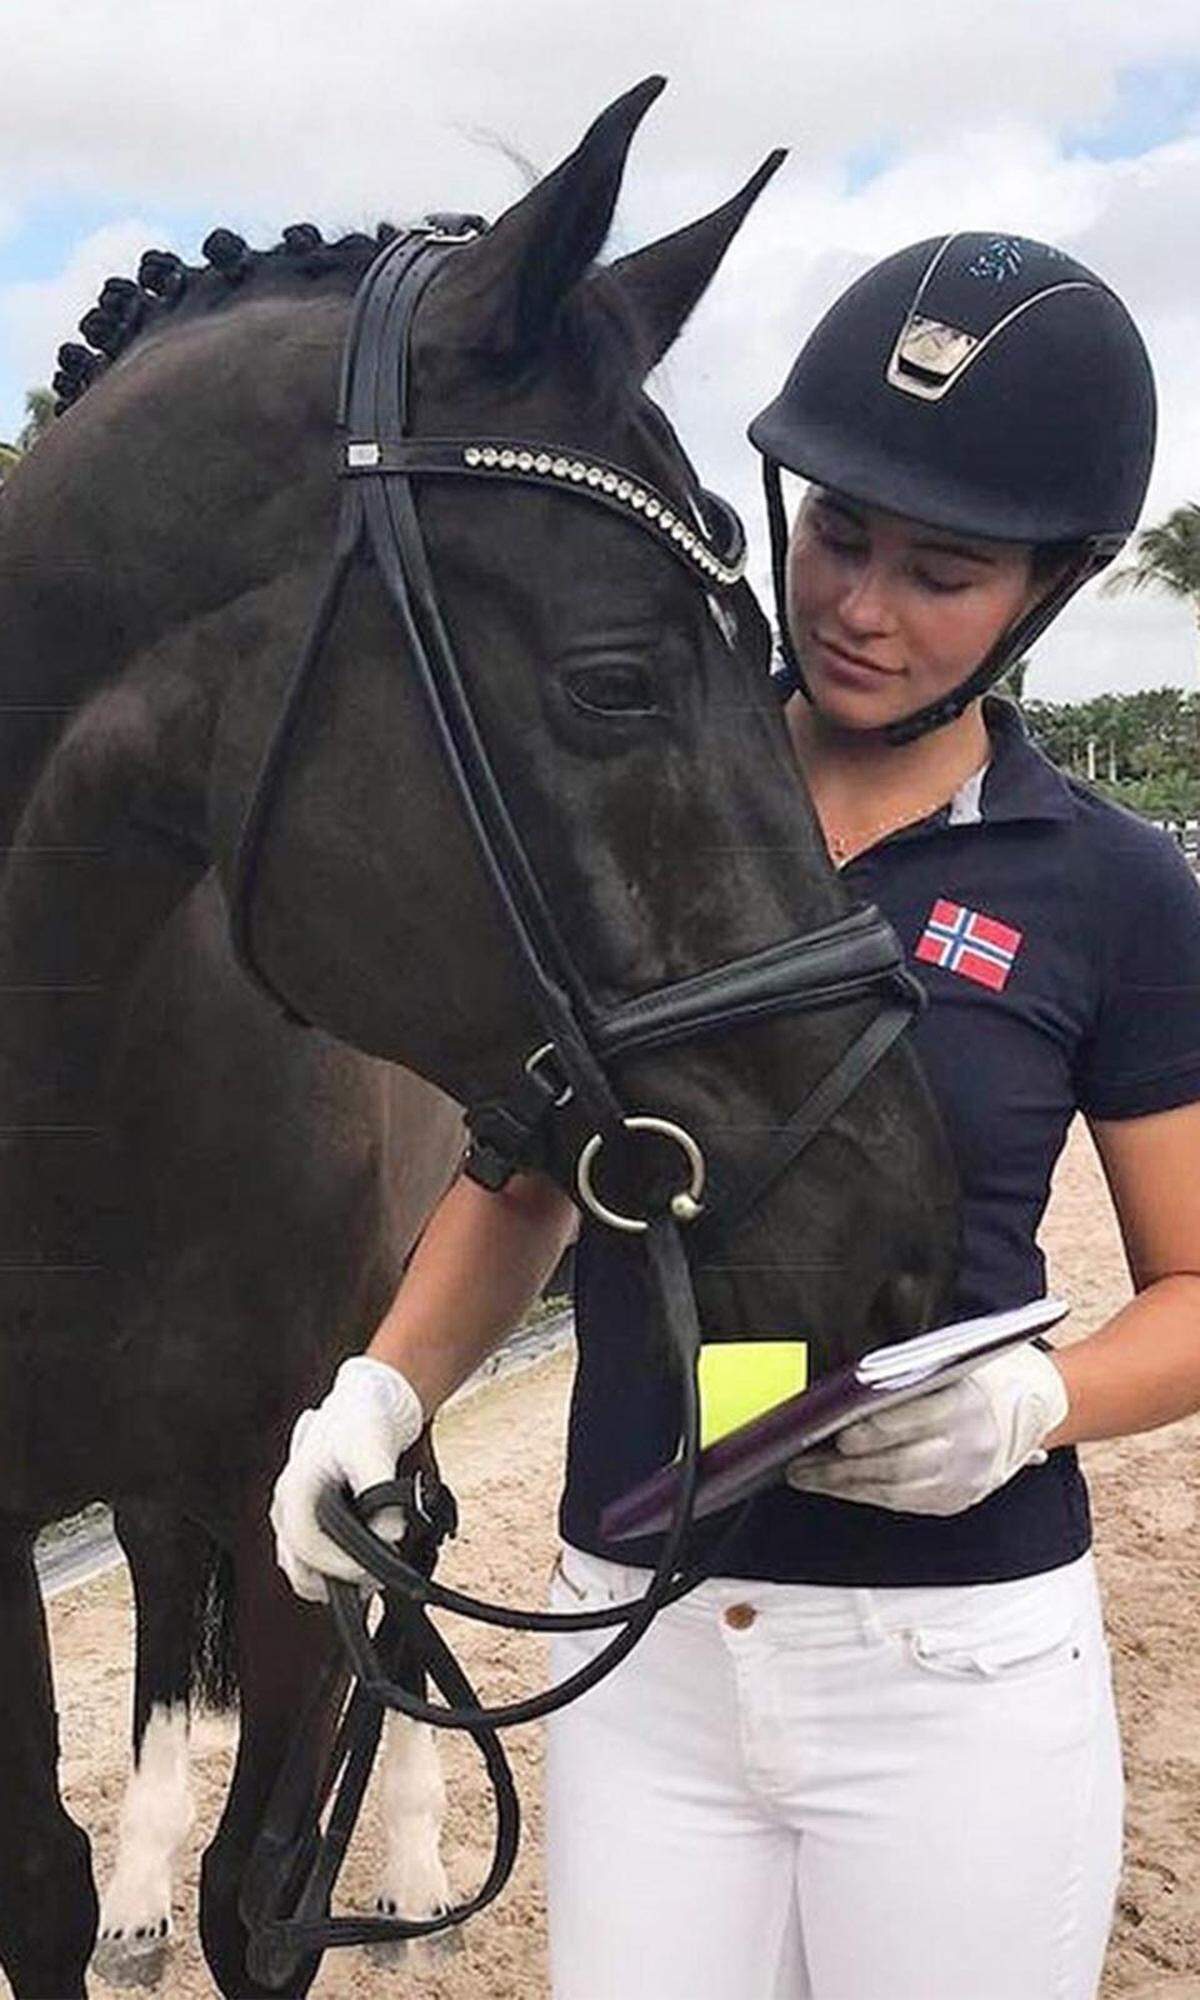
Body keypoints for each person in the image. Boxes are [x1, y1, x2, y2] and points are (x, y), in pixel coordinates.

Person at [271, 232, 1200, 1999]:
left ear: (1050, 590)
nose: (860, 603)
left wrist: (1035, 1404)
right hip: (644, 1635)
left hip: (947, 1664)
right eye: (841, 534)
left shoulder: (1110, 888)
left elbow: (1199, 1290)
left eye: (943, 569)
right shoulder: (632, 808)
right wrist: (381, 1390)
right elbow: (531, 1172)